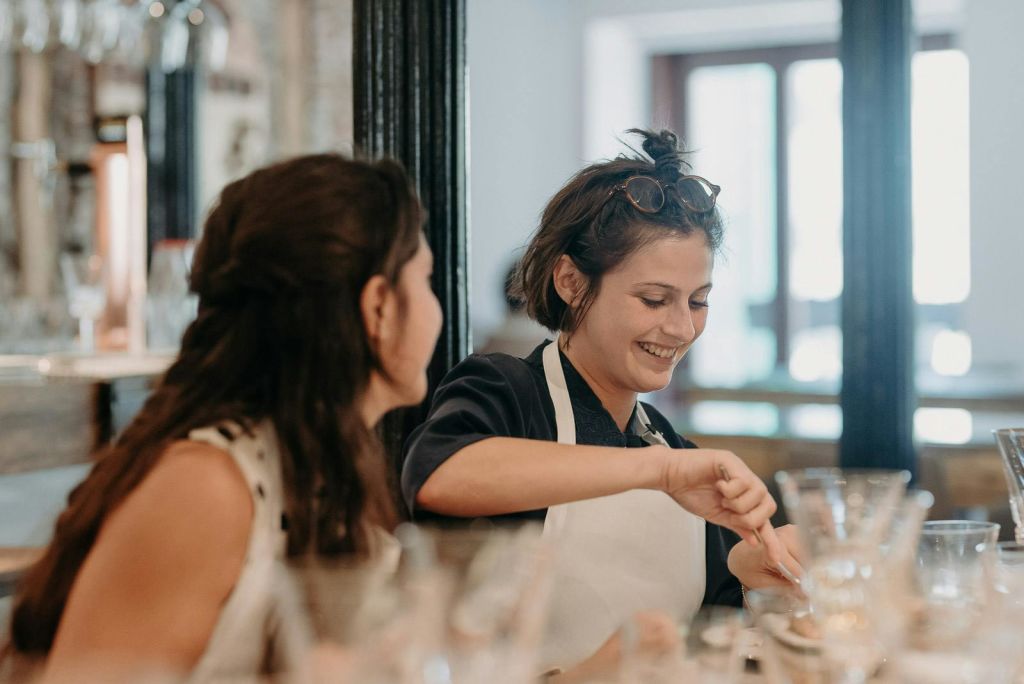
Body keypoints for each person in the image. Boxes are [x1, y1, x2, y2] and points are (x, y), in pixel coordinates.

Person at [2, 154, 442, 682]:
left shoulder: (320, 465)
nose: (435, 306)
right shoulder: (205, 488)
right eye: (426, 279)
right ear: (379, 308)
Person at [401, 129, 802, 681]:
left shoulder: (672, 447)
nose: (682, 328)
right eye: (654, 299)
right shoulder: (507, 391)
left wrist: (751, 574)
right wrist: (660, 471)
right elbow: (438, 473)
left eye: (698, 301)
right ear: (570, 281)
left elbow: (703, 641)